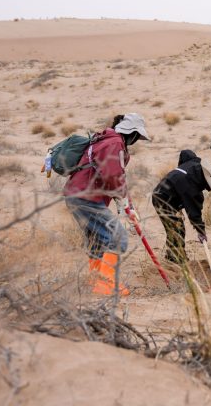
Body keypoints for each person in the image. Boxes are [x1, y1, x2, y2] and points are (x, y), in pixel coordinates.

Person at [64, 113, 150, 296]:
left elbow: (116, 177)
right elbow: (112, 176)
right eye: (137, 135)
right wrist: (123, 202)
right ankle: (106, 285)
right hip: (86, 197)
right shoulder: (114, 143)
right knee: (117, 237)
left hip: (78, 195)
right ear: (132, 133)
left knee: (98, 239)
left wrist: (128, 206)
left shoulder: (107, 140)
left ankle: (94, 280)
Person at [152, 151, 211, 264]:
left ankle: (172, 255)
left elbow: (186, 153)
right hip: (162, 199)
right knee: (176, 228)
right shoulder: (191, 187)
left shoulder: (196, 165)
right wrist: (201, 231)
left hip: (172, 193)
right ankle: (176, 259)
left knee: (176, 227)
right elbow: (193, 213)